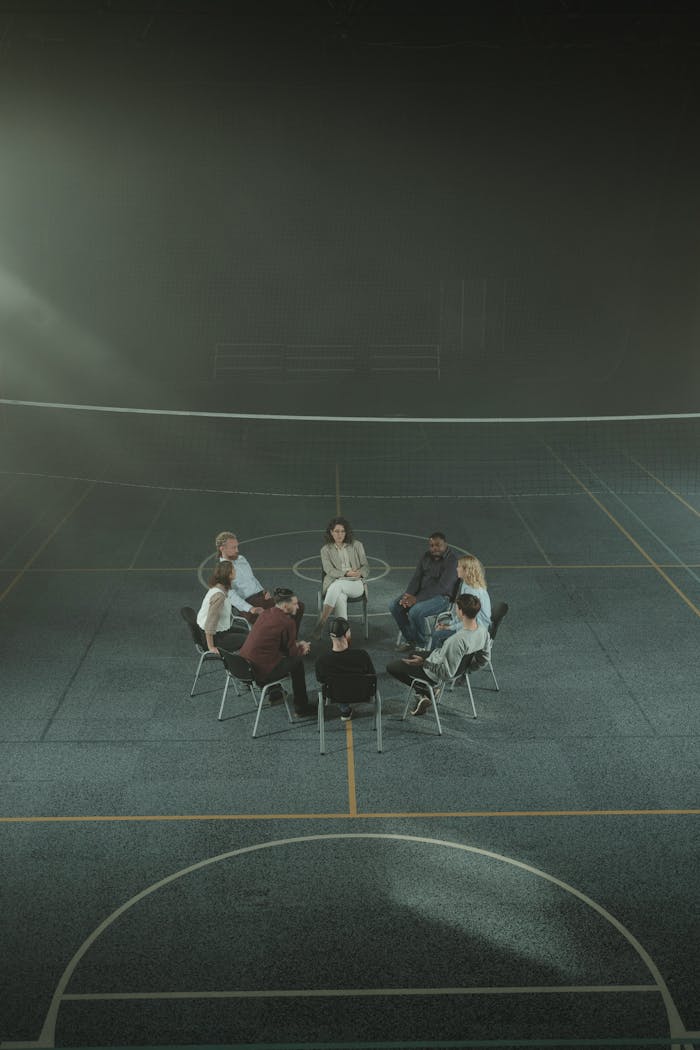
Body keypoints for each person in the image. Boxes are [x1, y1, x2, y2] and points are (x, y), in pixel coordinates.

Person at [386, 593, 490, 716]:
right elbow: (484, 659)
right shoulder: (483, 631)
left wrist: (424, 663)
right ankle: (424, 693)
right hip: (451, 665)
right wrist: (465, 668)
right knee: (413, 654)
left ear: (461, 612)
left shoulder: (456, 641)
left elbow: (446, 674)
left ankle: (425, 691)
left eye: (456, 608)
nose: (455, 610)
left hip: (434, 672)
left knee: (392, 667)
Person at [238, 587, 314, 717]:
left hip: (244, 667)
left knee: (279, 655)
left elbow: (275, 643)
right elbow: (291, 653)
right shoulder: (287, 622)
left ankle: (275, 692)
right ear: (285, 606)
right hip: (260, 672)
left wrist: (295, 645)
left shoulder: (266, 613)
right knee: (297, 663)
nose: (297, 607)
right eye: (294, 604)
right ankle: (301, 707)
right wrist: (302, 648)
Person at [215, 531, 305, 628]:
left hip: (262, 598)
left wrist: (263, 591)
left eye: (237, 546)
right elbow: (231, 596)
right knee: (277, 619)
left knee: (298, 606)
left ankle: (291, 641)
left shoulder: (241, 559)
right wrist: (251, 608)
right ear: (222, 549)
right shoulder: (222, 570)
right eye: (233, 548)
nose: (237, 550)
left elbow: (252, 578)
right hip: (249, 604)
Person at [389, 532, 458, 651]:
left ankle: (420, 644)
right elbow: (417, 577)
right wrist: (408, 595)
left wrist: (416, 599)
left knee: (415, 611)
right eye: (431, 545)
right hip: (421, 593)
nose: (434, 548)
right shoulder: (426, 556)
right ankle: (411, 639)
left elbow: (441, 587)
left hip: (441, 598)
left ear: (445, 545)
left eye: (438, 545)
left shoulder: (452, 561)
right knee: (395, 606)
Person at [312, 517, 369, 638]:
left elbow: (366, 567)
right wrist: (345, 574)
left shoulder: (357, 545)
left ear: (346, 532)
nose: (340, 534)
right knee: (339, 597)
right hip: (337, 581)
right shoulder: (325, 550)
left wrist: (359, 573)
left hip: (356, 583)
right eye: (336, 531)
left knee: (337, 586)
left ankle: (322, 621)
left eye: (342, 531)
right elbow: (329, 570)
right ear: (331, 532)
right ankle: (344, 636)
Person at [315, 616, 376, 722]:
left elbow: (321, 680)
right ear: (347, 634)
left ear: (330, 636)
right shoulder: (362, 655)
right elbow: (372, 675)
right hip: (362, 693)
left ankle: (345, 709)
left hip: (335, 695)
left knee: (337, 684)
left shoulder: (322, 660)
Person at [430, 553, 491, 650]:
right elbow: (464, 616)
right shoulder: (466, 584)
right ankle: (442, 657)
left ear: (466, 570)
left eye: (459, 567)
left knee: (437, 636)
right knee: (441, 630)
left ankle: (433, 662)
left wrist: (448, 627)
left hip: (474, 631)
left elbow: (470, 621)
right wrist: (449, 624)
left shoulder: (472, 592)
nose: (456, 569)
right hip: (469, 624)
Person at [196, 560, 249, 655]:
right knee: (249, 640)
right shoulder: (219, 596)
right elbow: (210, 623)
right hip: (214, 638)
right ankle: (240, 665)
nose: (236, 571)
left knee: (249, 634)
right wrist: (211, 647)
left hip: (215, 632)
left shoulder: (218, 588)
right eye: (234, 570)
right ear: (229, 575)